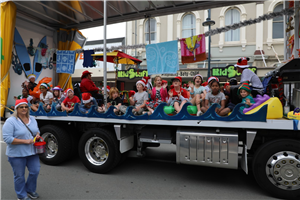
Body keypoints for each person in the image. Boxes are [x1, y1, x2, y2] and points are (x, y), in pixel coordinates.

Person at [2, 99, 41, 200]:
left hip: (32, 152)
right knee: (19, 176)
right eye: (21, 107)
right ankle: (21, 195)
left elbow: (37, 131)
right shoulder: (11, 121)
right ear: (17, 109)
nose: (24, 109)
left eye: (26, 107)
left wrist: (37, 135)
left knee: (35, 171)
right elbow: (7, 138)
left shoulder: (32, 118)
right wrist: (25, 141)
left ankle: (30, 190)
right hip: (16, 154)